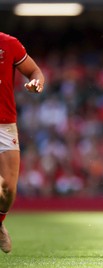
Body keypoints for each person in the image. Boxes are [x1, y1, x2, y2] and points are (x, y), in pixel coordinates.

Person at [0, 32, 45, 254]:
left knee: (8, 188)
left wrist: (36, 82)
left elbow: (34, 71)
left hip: (4, 124)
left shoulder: (8, 43)